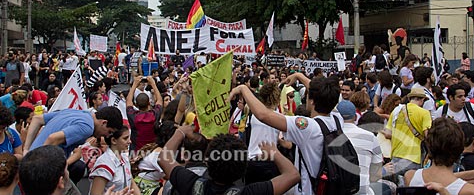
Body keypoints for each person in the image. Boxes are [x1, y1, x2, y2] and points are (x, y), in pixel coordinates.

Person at [229, 71, 341, 194]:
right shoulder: (337, 118)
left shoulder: (307, 126)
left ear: (312, 101)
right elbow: (326, 95)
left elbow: (263, 115)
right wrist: (299, 76)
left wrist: (244, 89)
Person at [158, 126, 300, 195]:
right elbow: (293, 175)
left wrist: (180, 132)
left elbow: (164, 159)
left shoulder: (191, 184)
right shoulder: (249, 193)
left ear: (208, 162)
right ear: (243, 168)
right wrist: (275, 154)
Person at [404, 117, 474, 195]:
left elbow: (441, 176)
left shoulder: (410, 177)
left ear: (428, 145)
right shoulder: (473, 191)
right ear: (460, 148)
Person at [23, 106, 123, 158]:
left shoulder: (78, 112)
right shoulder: (88, 127)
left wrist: (26, 150)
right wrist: (38, 167)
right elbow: (53, 139)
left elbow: (37, 119)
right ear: (104, 122)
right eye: (109, 131)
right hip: (38, 167)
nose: (106, 135)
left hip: (31, 158)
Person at [336, 101, 389, 195]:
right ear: (355, 117)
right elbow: (376, 175)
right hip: (361, 190)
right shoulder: (370, 137)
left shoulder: (328, 135)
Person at [383, 87, 432, 176]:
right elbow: (427, 135)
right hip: (413, 157)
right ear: (422, 100)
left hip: (396, 155)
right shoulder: (424, 113)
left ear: (410, 99)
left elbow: (388, 134)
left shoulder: (396, 111)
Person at [434, 84, 474, 151]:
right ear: (451, 97)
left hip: (473, 151)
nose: (463, 99)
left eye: (464, 96)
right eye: (460, 96)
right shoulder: (442, 111)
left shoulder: (472, 108)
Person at [89, 126, 140, 195]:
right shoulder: (104, 165)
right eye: (125, 138)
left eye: (129, 138)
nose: (130, 141)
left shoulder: (124, 157)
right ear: (113, 140)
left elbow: (131, 183)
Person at [126, 76, 162, 151]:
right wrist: (153, 84)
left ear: (136, 104)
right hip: (152, 151)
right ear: (149, 103)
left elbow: (128, 101)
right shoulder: (154, 114)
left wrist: (134, 85)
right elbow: (159, 100)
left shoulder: (133, 116)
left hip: (136, 152)